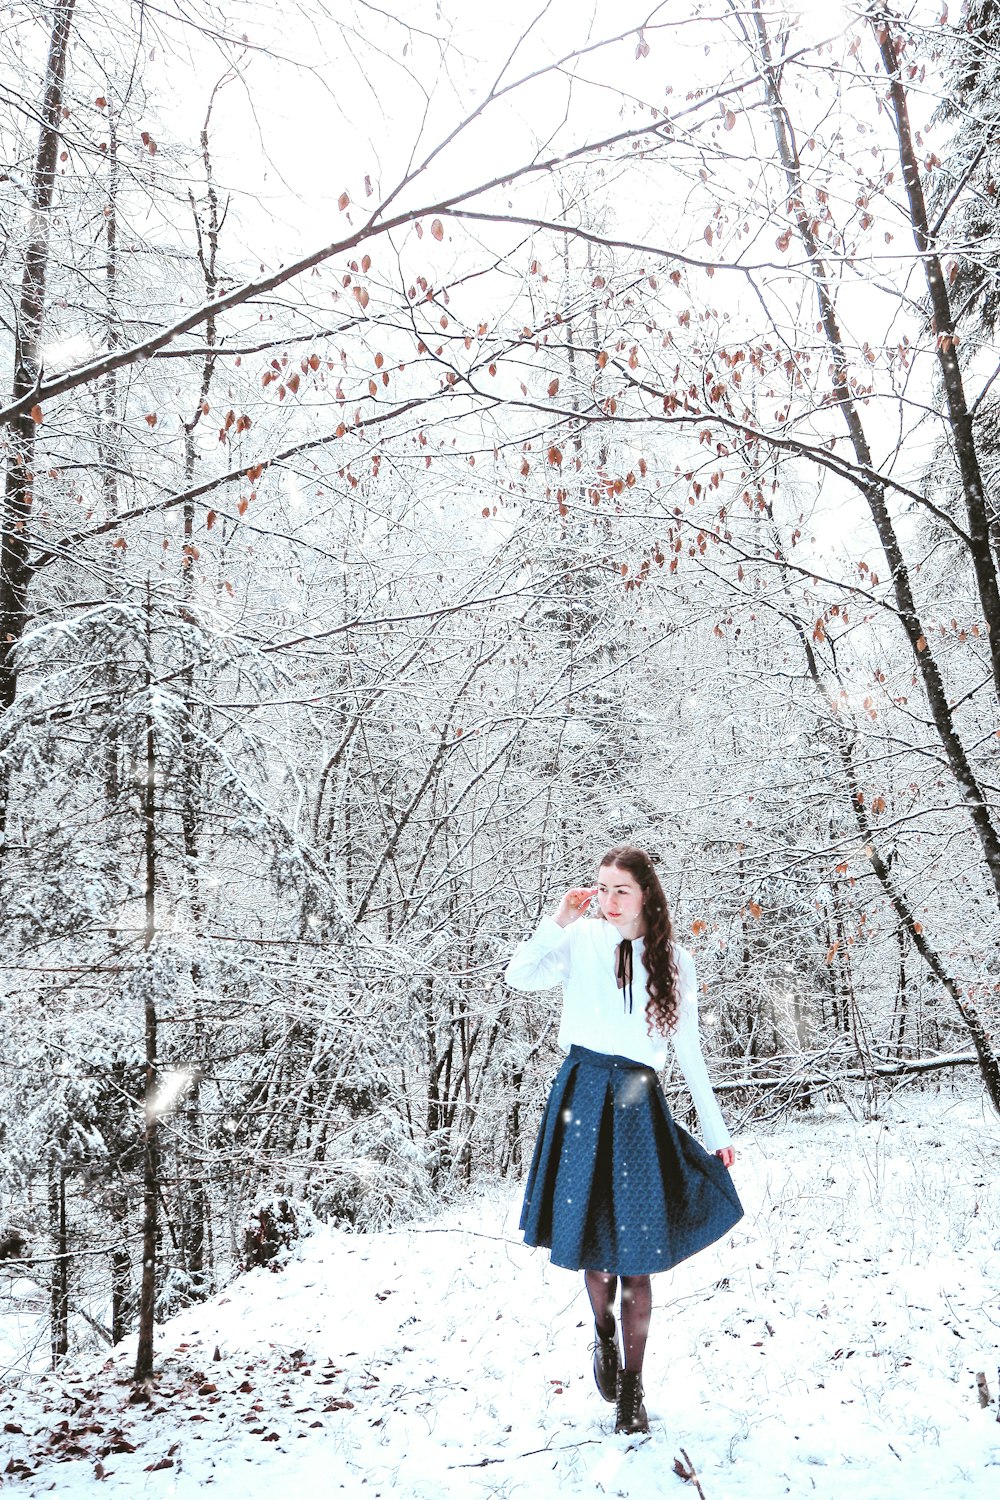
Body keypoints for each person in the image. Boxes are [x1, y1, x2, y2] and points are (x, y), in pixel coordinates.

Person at [505, 846, 743, 1436]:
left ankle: (632, 1392)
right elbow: (520, 976)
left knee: (637, 1259)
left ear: (646, 897)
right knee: (595, 1247)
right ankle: (603, 1337)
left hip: (638, 1104)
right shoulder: (580, 939)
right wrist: (557, 919)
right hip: (582, 1092)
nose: (607, 901)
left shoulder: (675, 960)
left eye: (621, 892)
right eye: (602, 888)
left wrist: (716, 1133)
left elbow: (688, 1051)